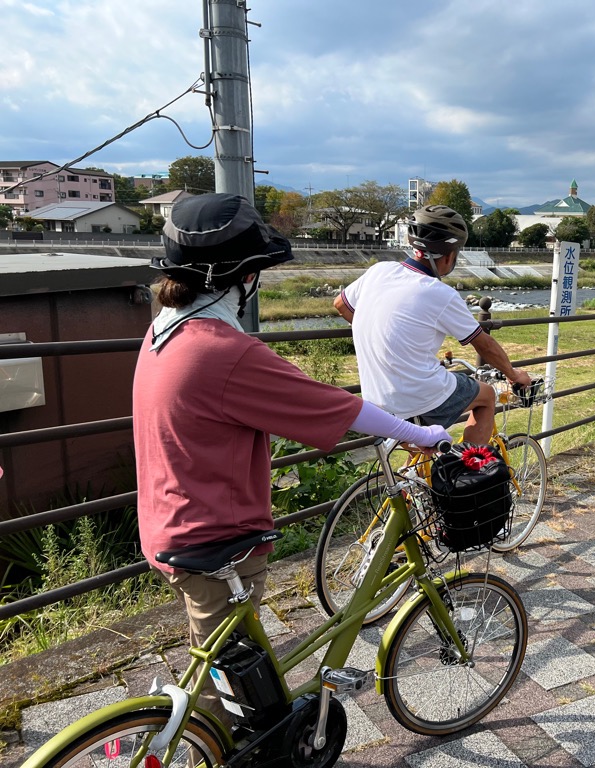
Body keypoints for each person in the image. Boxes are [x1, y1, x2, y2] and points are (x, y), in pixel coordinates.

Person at [133, 193, 449, 719]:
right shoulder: (223, 349)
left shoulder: (164, 331)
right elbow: (336, 407)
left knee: (214, 662)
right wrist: (418, 434)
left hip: (171, 519)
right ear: (243, 276)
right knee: (230, 704)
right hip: (217, 538)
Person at [333, 205, 532, 444]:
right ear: (449, 255)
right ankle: (468, 469)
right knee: (487, 395)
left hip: (375, 398)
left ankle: (414, 477)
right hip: (417, 399)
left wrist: (381, 333)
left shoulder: (379, 270)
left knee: (418, 456)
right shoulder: (440, 293)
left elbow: (341, 304)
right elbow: (484, 344)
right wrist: (513, 374)